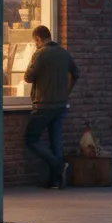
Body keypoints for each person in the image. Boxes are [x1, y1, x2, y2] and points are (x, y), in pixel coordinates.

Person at [23, 24, 79, 189]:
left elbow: (28, 77)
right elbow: (76, 74)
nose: (35, 45)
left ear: (38, 39)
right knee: (56, 142)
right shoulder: (64, 53)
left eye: (35, 42)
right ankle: (55, 181)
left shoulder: (40, 54)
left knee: (30, 139)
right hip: (61, 104)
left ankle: (58, 166)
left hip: (43, 105)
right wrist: (67, 92)